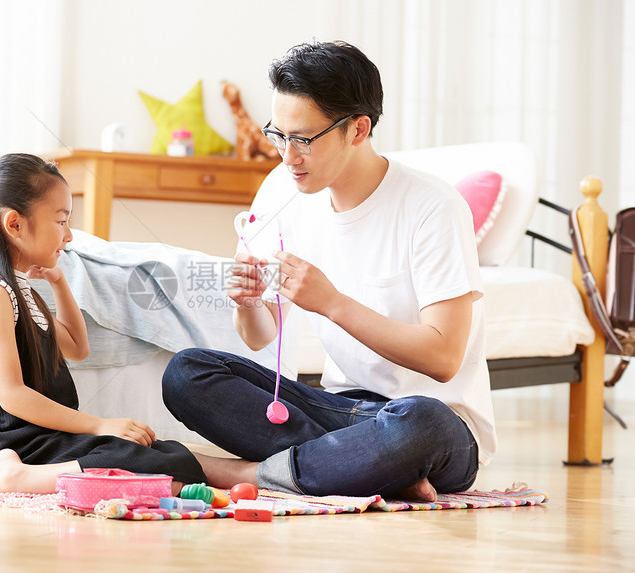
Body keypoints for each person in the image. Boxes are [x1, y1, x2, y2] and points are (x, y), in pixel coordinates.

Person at [162, 41, 496, 501]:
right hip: (336, 410)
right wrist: (248, 302)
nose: (286, 155)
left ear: (358, 129)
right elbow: (260, 336)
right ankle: (366, 469)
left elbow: (443, 359)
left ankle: (246, 475)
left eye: (303, 139)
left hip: (435, 421)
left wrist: (333, 303)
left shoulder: (432, 206)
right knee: (187, 372)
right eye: (278, 135)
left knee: (421, 425)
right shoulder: (284, 188)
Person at [0, 153, 206, 495]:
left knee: (158, 456)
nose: (68, 238)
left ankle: (49, 474)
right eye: (61, 221)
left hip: (39, 435)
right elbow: (11, 396)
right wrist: (99, 425)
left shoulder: (18, 289)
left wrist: (58, 283)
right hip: (12, 441)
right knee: (143, 462)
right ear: (15, 225)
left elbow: (78, 348)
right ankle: (5, 477)